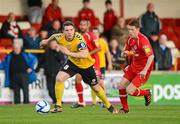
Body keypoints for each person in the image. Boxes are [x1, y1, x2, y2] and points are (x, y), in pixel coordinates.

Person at [40, 21, 118, 114]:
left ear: (74, 30)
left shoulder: (79, 39)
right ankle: (58, 105)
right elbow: (54, 36)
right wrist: (46, 41)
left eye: (71, 30)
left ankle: (109, 106)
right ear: (63, 31)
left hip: (86, 65)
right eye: (67, 30)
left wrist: (68, 53)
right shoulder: (60, 37)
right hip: (73, 63)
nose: (69, 32)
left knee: (96, 88)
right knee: (59, 78)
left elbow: (84, 54)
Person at [118, 19, 154, 113]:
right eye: (129, 29)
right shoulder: (130, 39)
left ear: (138, 29)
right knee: (121, 86)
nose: (130, 32)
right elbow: (125, 51)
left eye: (132, 29)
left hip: (142, 69)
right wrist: (124, 53)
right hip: (133, 66)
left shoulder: (143, 41)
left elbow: (151, 56)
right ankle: (125, 109)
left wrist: (145, 70)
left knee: (130, 91)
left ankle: (146, 93)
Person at [71, 19, 101, 108]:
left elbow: (98, 48)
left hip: (93, 62)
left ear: (88, 26)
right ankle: (81, 102)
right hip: (83, 62)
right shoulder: (78, 36)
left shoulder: (91, 36)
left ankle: (101, 101)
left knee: (95, 83)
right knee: (77, 80)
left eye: (84, 25)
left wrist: (87, 54)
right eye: (81, 24)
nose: (82, 26)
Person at [0, 38, 37, 104]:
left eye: (17, 48)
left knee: (25, 91)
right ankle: (17, 105)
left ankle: (26, 104)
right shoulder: (9, 56)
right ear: (13, 48)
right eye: (15, 47)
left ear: (20, 47)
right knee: (16, 93)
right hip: (13, 77)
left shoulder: (26, 54)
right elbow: (2, 65)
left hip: (24, 76)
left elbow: (34, 60)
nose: (16, 49)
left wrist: (31, 68)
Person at [92, 27, 113, 106]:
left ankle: (102, 100)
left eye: (96, 32)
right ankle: (94, 102)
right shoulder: (90, 42)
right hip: (93, 65)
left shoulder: (102, 42)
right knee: (93, 83)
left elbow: (107, 53)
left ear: (98, 33)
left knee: (101, 83)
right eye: (93, 33)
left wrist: (110, 63)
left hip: (101, 66)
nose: (94, 34)